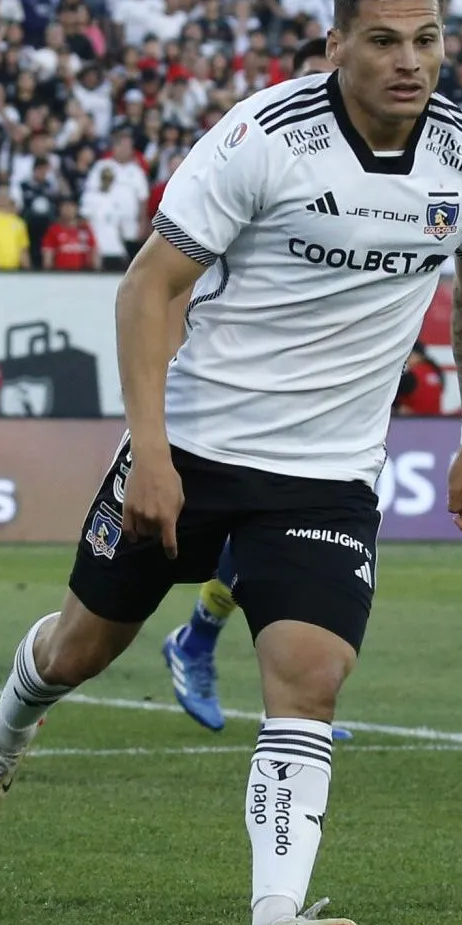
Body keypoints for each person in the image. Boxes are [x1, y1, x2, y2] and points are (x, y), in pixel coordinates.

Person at [0, 0, 462, 925]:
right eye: (383, 41)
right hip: (195, 451)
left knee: (310, 679)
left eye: (427, 39)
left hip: (326, 479)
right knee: (81, 647)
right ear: (336, 42)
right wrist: (150, 453)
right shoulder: (261, 139)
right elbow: (148, 291)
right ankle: (10, 722)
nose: (409, 62)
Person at [157, 36, 336, 734]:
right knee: (105, 612)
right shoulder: (251, 159)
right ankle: (196, 641)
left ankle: (293, 706)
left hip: (324, 403)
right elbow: (168, 279)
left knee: (309, 549)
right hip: (227, 394)